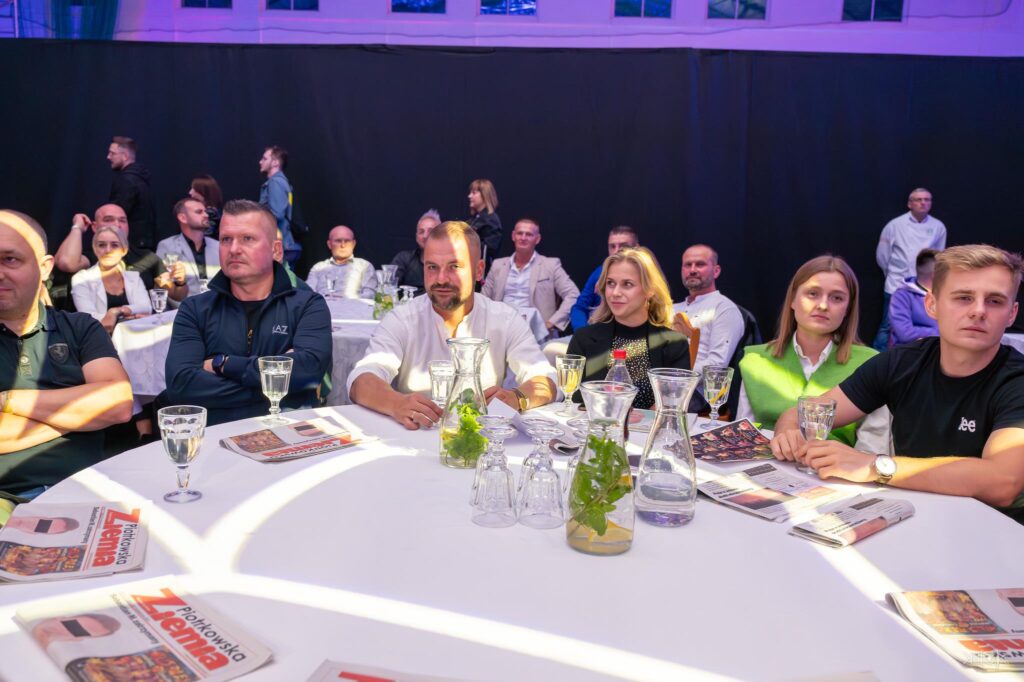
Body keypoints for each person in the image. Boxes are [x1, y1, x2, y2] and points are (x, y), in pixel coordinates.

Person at [771, 245, 1024, 522]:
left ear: (1012, 314)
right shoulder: (901, 362)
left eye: (995, 301)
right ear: (932, 305)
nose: (978, 311)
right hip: (913, 519)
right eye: (963, 298)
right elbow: (803, 414)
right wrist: (788, 433)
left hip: (997, 531)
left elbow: (1003, 482)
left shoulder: (1016, 380)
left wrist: (873, 466)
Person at [348, 221, 557, 429]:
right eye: (432, 267)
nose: (441, 279)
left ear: (479, 270)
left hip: (479, 439)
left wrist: (518, 397)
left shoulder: (505, 319)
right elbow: (362, 378)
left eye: (454, 267)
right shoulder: (403, 318)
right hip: (413, 435)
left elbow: (548, 379)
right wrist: (396, 403)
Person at [0, 210, 133, 507]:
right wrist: (81, 416)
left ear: (45, 267)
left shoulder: (79, 327)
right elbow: (104, 407)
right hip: (7, 499)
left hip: (92, 489)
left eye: (10, 259)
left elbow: (118, 403)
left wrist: (9, 400)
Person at [163, 200, 332, 426]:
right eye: (226, 239)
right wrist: (280, 388)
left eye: (247, 238)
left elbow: (308, 371)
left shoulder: (307, 305)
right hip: (216, 439)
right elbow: (181, 386)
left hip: (289, 435)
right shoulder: (195, 309)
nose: (234, 249)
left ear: (275, 250)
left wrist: (222, 364)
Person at [737, 255, 889, 452]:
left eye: (837, 298)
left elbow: (872, 450)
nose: (823, 305)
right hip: (766, 464)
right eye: (813, 294)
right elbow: (742, 439)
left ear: (848, 309)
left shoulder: (872, 363)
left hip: (838, 469)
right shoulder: (755, 360)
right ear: (792, 300)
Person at [567, 246, 690, 410]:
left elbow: (674, 405)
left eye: (627, 284)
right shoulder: (583, 338)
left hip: (650, 427)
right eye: (611, 283)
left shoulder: (675, 343)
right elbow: (575, 401)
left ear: (650, 290)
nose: (615, 293)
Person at [53, 203, 185, 300]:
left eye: (122, 220)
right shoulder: (94, 255)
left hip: (141, 324)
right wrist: (78, 227)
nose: (117, 224)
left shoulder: (146, 257)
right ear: (95, 227)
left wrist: (180, 282)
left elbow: (176, 295)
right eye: (109, 220)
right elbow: (66, 262)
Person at [873, 188, 947, 350]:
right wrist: (892, 273)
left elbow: (939, 257)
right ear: (909, 203)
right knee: (887, 327)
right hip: (896, 284)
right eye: (919, 199)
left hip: (925, 288)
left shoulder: (938, 227)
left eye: (927, 200)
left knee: (925, 322)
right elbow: (882, 256)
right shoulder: (895, 225)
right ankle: (876, 357)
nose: (923, 203)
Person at [482, 218, 580, 339]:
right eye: (520, 233)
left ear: (537, 239)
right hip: (500, 329)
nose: (523, 238)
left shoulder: (550, 265)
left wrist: (551, 323)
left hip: (536, 334)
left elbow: (573, 294)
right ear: (513, 236)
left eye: (529, 234)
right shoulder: (498, 265)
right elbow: (483, 298)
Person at [671, 244, 745, 375]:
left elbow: (717, 365)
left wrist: (674, 375)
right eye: (688, 265)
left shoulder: (724, 309)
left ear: (716, 271)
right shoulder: (671, 308)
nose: (692, 270)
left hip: (696, 387)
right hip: (660, 381)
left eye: (700, 264)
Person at [71, 225, 152, 333]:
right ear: (95, 249)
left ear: (124, 250)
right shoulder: (81, 278)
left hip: (134, 335)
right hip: (99, 338)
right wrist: (130, 316)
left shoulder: (134, 277)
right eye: (102, 245)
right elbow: (88, 316)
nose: (108, 250)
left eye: (114, 245)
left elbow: (146, 307)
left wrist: (115, 312)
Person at [569, 226, 638, 332]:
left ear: (636, 248)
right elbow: (579, 308)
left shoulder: (646, 273)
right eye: (612, 246)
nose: (616, 251)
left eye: (623, 246)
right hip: (600, 331)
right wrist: (582, 333)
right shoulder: (599, 273)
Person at [156, 198, 220, 298]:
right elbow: (165, 289)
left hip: (217, 304)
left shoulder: (218, 246)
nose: (206, 215)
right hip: (183, 305)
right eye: (199, 212)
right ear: (183, 218)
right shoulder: (167, 246)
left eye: (206, 212)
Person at [106, 136, 157, 251]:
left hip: (130, 246)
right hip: (144, 244)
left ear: (125, 156)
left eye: (112, 153)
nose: (108, 157)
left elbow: (116, 214)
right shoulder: (142, 179)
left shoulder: (127, 181)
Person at [305, 225, 375, 298]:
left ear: (353, 244)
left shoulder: (365, 266)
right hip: (324, 304)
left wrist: (345, 298)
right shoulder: (318, 268)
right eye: (338, 241)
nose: (343, 245)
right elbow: (307, 293)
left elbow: (370, 295)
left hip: (353, 304)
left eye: (347, 241)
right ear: (329, 244)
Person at [259, 145, 301, 265]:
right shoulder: (281, 182)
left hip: (281, 246)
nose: (260, 162)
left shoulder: (275, 182)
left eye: (265, 158)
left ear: (275, 163)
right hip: (284, 245)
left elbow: (277, 214)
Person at [889, 248, 940, 346]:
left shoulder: (945, 293)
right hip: (910, 352)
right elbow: (904, 333)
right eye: (944, 271)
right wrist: (941, 331)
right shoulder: (901, 296)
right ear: (935, 275)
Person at [390, 209, 440, 296]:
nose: (425, 236)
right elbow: (389, 286)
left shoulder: (449, 264)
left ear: (441, 235)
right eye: (421, 232)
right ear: (416, 237)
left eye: (430, 231)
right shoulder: (403, 259)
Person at [467, 179, 502, 268]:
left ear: (485, 195)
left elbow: (489, 249)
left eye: (474, 193)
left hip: (482, 271)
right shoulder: (474, 220)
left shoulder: (491, 220)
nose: (469, 196)